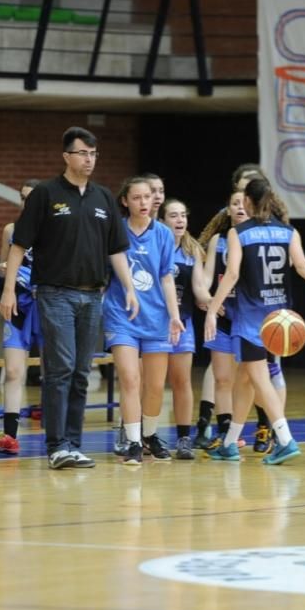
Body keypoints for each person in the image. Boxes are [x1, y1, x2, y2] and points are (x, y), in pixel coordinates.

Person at [0, 126, 138, 470]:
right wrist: (7, 290)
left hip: (93, 296)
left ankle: (73, 444)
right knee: (59, 369)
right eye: (82, 153)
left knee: (80, 371)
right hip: (55, 293)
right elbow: (19, 245)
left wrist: (130, 287)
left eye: (93, 154)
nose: (89, 159)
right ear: (67, 156)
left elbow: (117, 249)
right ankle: (56, 444)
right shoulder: (45, 194)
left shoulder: (104, 197)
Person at [204, 177, 305, 465]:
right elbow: (302, 266)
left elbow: (231, 275)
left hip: (251, 316)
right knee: (245, 380)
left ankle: (285, 438)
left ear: (250, 203)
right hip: (279, 317)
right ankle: (230, 443)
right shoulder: (288, 232)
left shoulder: (238, 233)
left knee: (258, 378)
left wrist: (211, 310)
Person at [105, 177, 182, 466]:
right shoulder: (116, 230)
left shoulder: (162, 233)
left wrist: (174, 315)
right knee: (129, 377)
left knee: (154, 385)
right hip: (121, 313)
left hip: (156, 316)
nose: (143, 203)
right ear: (125, 201)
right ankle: (134, 441)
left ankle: (150, 435)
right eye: (136, 198)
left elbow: (165, 276)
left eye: (147, 197)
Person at [0, 178, 42, 456]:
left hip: (45, 304)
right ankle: (9, 436)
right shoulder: (11, 230)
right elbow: (0, 266)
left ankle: (60, 434)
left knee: (54, 372)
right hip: (18, 302)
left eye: (31, 198)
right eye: (22, 197)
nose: (25, 202)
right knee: (14, 371)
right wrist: (4, 268)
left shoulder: (52, 229)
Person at [194, 189, 246, 450]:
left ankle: (265, 428)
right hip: (224, 314)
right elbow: (205, 278)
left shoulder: (255, 238)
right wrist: (207, 297)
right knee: (222, 378)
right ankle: (226, 435)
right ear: (227, 208)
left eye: (244, 203)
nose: (239, 207)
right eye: (234, 203)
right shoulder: (218, 240)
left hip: (248, 317)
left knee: (249, 378)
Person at [160, 197, 205, 460]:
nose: (180, 220)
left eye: (183, 215)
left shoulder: (192, 251)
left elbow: (199, 289)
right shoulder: (155, 246)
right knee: (148, 382)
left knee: (181, 381)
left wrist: (213, 302)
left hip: (183, 323)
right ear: (162, 220)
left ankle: (184, 438)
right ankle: (138, 433)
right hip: (156, 324)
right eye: (173, 216)